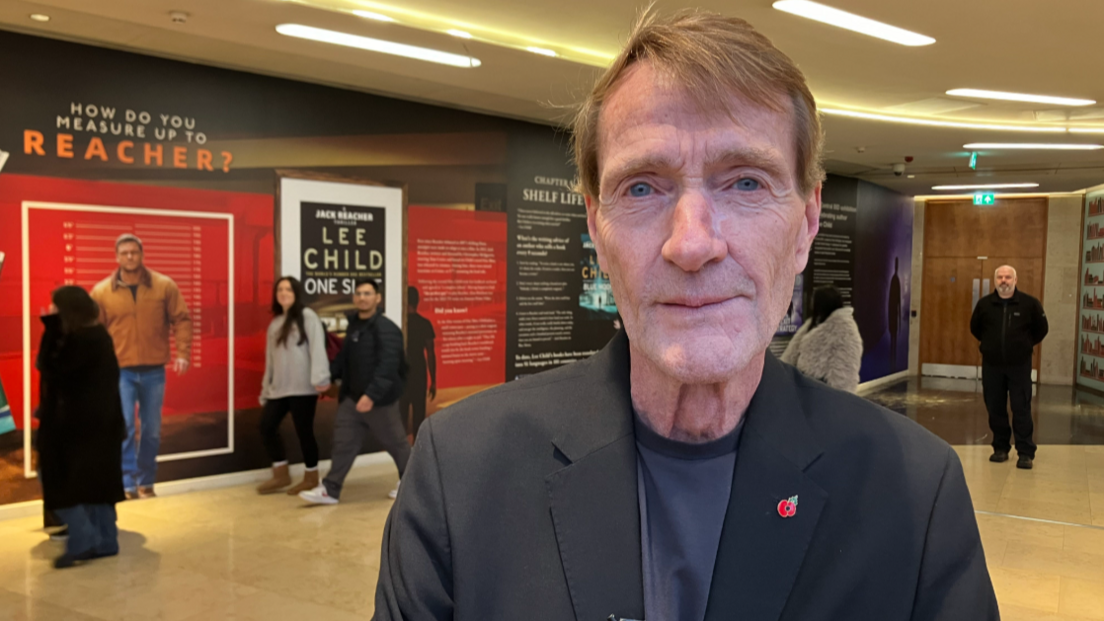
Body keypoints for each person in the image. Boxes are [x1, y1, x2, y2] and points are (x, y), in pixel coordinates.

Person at [374, 10, 997, 621]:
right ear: (597, 227)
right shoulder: (462, 474)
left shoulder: (914, 492)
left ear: (807, 223)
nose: (692, 243)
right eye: (642, 187)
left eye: (746, 183)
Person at [91, 233, 192, 499]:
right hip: (120, 372)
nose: (129, 257)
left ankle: (146, 481)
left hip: (154, 372)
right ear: (117, 257)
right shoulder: (101, 292)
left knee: (152, 431)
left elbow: (182, 319)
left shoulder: (164, 286)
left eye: (134, 252)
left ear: (142, 255)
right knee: (124, 427)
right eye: (124, 253)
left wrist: (183, 353)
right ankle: (126, 483)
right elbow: (94, 331)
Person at [36, 286, 126, 569]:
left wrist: (51, 328)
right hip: (101, 426)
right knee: (97, 485)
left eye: (55, 307)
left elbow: (49, 367)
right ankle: (105, 540)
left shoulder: (78, 342)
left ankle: (84, 538)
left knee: (61, 483)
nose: (51, 310)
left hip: (74, 429)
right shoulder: (98, 336)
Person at [299, 278, 409, 504]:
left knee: (396, 444)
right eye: (359, 293)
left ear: (377, 298)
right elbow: (343, 360)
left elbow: (388, 366)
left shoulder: (386, 328)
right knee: (343, 444)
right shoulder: (355, 326)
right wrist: (327, 378)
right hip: (351, 399)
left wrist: (371, 396)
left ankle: (411, 485)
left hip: (379, 401)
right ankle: (330, 490)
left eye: (368, 293)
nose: (362, 298)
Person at [256, 277, 331, 494]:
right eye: (280, 289)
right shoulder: (275, 323)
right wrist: (266, 388)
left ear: (296, 293)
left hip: (303, 388)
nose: (284, 293)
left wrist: (320, 378)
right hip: (279, 389)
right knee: (266, 426)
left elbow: (317, 348)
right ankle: (281, 474)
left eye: (288, 289)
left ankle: (311, 476)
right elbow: (270, 360)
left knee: (304, 432)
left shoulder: (307, 316)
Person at [970, 265, 1048, 469]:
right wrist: (991, 345)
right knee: (995, 407)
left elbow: (1041, 329)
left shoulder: (1029, 304)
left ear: (1015, 280)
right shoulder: (984, 305)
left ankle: (1025, 452)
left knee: (1021, 407)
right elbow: (975, 328)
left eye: (1008, 277)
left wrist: (1024, 345)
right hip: (992, 366)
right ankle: (1000, 448)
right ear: (995, 280)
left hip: (1019, 366)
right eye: (1000, 277)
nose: (1003, 281)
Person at [781, 285, 862, 393]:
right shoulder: (813, 324)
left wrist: (837, 397)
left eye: (814, 299)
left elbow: (845, 370)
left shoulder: (844, 329)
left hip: (822, 391)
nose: (811, 302)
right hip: (804, 387)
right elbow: (793, 353)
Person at [400, 286, 436, 441]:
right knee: (419, 418)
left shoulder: (400, 324)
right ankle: (418, 450)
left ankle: (400, 452)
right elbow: (431, 354)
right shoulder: (424, 324)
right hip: (419, 374)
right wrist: (433, 381)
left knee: (400, 418)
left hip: (401, 375)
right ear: (418, 301)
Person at [888, 257, 903, 371]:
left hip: (893, 311)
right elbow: (895, 299)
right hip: (893, 311)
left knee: (894, 333)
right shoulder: (895, 280)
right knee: (893, 332)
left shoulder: (895, 279)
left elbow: (896, 299)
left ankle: (893, 356)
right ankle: (892, 357)